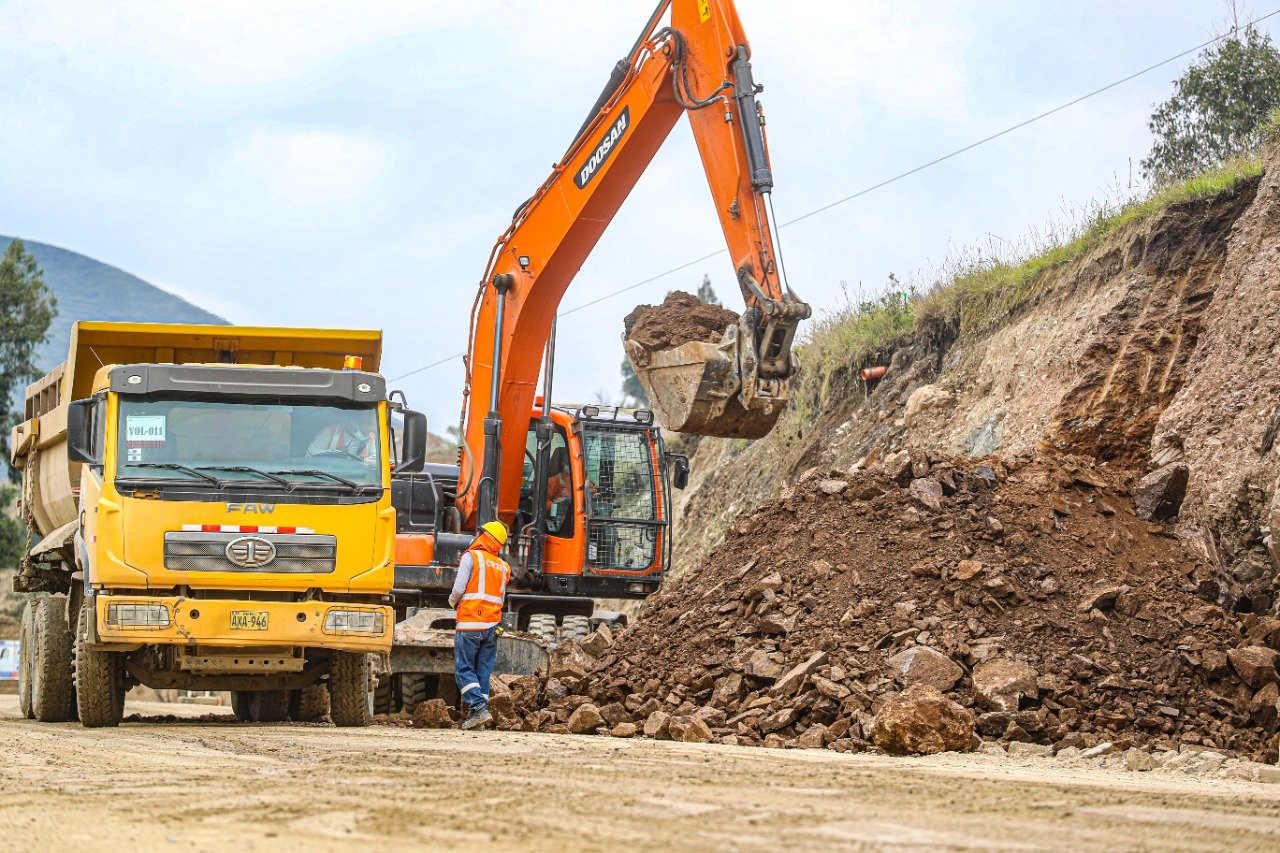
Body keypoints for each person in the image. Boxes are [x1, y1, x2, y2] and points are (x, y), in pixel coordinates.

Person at [448, 520, 513, 730]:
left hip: (469, 624)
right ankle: (478, 718)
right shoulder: (504, 567)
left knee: (464, 670)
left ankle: (479, 707)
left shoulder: (471, 557)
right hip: (492, 626)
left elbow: (459, 588)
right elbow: (500, 597)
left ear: (484, 536)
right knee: (482, 671)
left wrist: (452, 601)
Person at [307, 410, 374, 464]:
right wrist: (336, 452)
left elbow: (377, 463)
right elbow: (310, 453)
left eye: (372, 424)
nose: (371, 428)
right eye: (367, 423)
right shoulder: (332, 431)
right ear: (354, 423)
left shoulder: (373, 439)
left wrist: (363, 460)